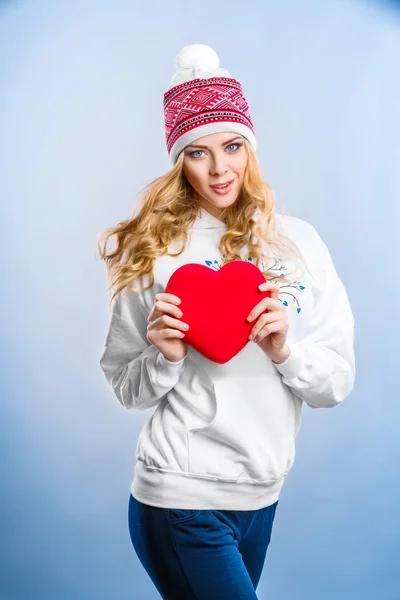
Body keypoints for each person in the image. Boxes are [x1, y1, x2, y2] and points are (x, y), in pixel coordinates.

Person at [97, 43, 356, 600]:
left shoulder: (299, 244)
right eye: (198, 152)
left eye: (233, 146)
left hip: (263, 496)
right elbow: (125, 385)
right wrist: (163, 358)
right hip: (181, 497)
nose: (220, 168)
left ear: (250, 147)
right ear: (178, 160)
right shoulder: (154, 251)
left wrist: (285, 351)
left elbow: (334, 382)